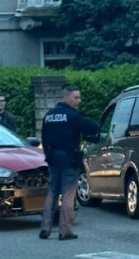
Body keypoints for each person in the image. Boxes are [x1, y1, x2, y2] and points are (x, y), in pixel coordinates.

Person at [39, 86, 99, 240]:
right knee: (68, 194)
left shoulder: (49, 115)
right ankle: (65, 230)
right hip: (69, 159)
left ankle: (45, 228)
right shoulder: (73, 116)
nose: (79, 101)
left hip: (53, 158)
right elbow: (93, 128)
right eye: (76, 97)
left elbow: (44, 139)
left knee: (52, 192)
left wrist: (48, 155)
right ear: (65, 97)